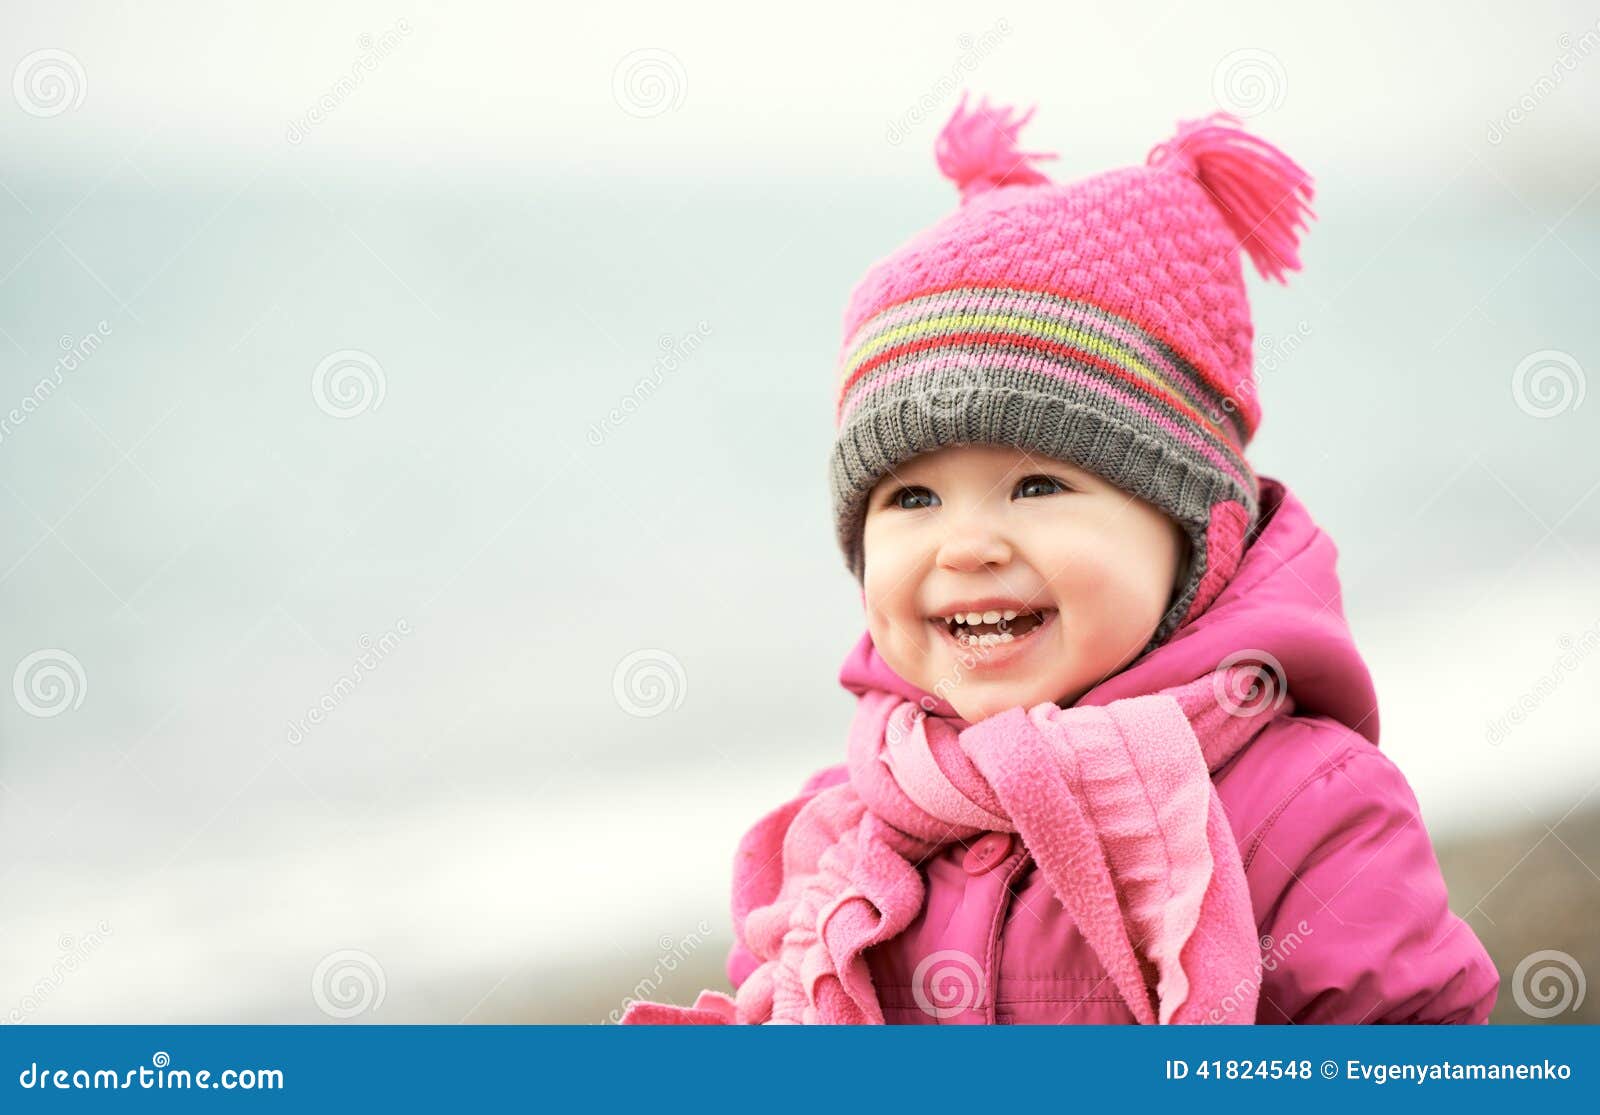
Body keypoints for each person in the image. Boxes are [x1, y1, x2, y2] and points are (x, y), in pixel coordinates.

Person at [621, 92, 1498, 1025]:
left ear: (1197, 531)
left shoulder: (1301, 808)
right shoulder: (854, 824)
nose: (966, 544)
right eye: (911, 498)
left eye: (1038, 486)